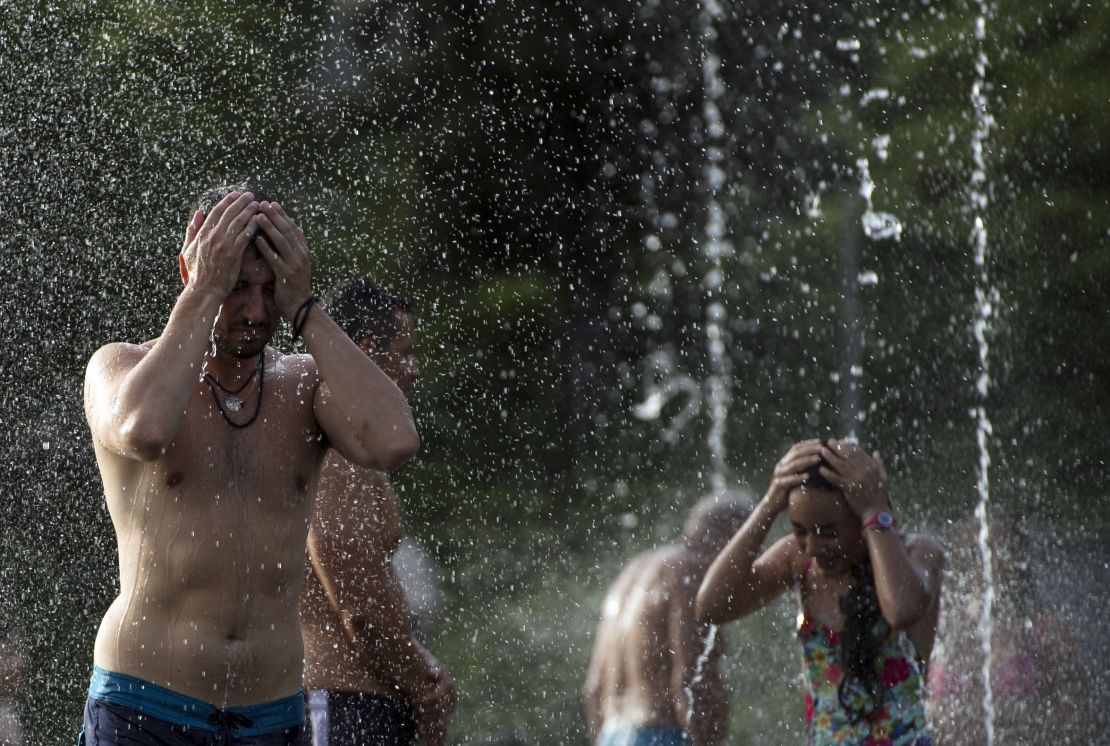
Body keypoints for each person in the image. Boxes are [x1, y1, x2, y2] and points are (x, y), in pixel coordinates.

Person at [81, 186, 419, 744]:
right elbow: (145, 429)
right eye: (237, 286)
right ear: (192, 269)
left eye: (270, 290)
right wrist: (204, 290)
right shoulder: (119, 366)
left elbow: (394, 441)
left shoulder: (304, 385)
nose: (257, 311)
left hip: (272, 716)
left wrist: (306, 309)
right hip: (143, 704)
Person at [696, 439, 944, 746]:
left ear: (860, 519)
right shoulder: (798, 562)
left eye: (828, 532)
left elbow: (901, 610)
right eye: (800, 530)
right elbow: (712, 606)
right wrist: (770, 503)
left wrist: (875, 509)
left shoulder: (917, 554)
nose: (813, 547)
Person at [300, 276, 456, 746]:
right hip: (344, 705)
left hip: (345, 701)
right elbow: (360, 607)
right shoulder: (340, 448)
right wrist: (423, 686)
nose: (415, 370)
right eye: (405, 352)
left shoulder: (336, 442)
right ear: (367, 352)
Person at [583, 494, 752, 746]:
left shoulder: (633, 570)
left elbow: (594, 688)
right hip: (661, 735)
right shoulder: (691, 573)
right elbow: (692, 680)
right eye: (753, 548)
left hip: (612, 735)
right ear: (734, 539)